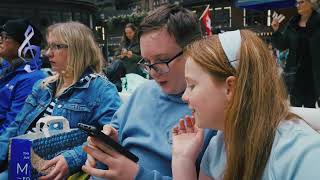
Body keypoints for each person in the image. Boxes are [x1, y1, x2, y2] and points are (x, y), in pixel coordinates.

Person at [82, 4, 215, 180]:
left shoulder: (214, 112)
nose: (152, 72)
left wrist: (136, 175)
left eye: (162, 60)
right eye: (146, 61)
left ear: (194, 50)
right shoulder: (142, 91)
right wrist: (107, 144)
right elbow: (115, 130)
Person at [172, 30, 320, 180]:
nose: (184, 97)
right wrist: (182, 160)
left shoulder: (302, 154)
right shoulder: (219, 145)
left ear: (230, 87)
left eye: (191, 85)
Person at [0, 21, 121, 179]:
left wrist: (72, 159)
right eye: (49, 46)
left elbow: (112, 137)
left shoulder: (101, 89)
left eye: (57, 46)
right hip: (20, 164)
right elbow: (16, 125)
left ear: (78, 49)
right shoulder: (43, 85)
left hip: (55, 171)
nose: (48, 53)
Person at [0, 19, 46, 134]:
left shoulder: (32, 78)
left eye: (5, 37)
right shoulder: (8, 70)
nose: (0, 40)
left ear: (24, 44)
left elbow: (13, 126)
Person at [271, 0, 320, 108]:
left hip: (313, 75)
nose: (297, 5)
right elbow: (282, 45)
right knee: (294, 108)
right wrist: (276, 31)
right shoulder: (292, 23)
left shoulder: (318, 23)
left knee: (310, 108)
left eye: (301, 2)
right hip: (294, 74)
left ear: (311, 3)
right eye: (296, 3)